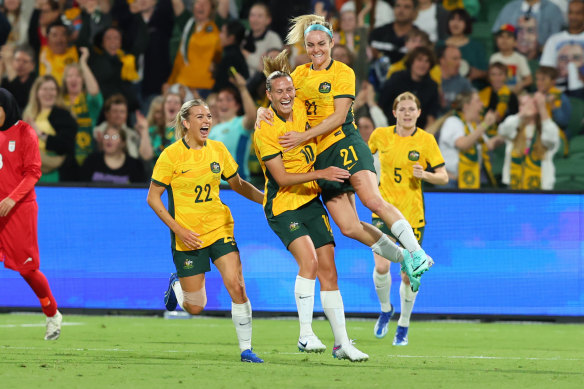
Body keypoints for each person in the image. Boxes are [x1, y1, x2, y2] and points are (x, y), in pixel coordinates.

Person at [258, 15, 429, 290]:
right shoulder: (299, 75)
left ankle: (417, 252)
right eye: (311, 44)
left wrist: (303, 136)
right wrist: (261, 111)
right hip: (320, 156)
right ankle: (404, 257)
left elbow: (339, 117)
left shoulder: (343, 72)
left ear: (331, 43)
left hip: (345, 142)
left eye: (321, 43)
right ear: (305, 45)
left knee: (372, 200)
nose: (316, 49)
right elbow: (279, 98)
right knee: (348, 227)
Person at [254, 52, 368, 361]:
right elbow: (280, 177)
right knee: (310, 263)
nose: (287, 95)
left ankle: (342, 344)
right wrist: (322, 173)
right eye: (279, 91)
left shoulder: (303, 108)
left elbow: (328, 106)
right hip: (283, 205)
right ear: (269, 95)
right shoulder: (265, 128)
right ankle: (305, 334)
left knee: (329, 270)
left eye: (290, 89)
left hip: (310, 201)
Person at [148, 99, 264, 363]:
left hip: (220, 227)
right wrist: (178, 230)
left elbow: (238, 184)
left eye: (209, 116)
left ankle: (246, 349)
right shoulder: (171, 155)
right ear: (186, 123)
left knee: (237, 285)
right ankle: (177, 284)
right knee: (196, 306)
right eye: (199, 117)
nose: (207, 121)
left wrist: (266, 199)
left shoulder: (218, 150)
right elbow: (152, 198)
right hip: (187, 236)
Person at [368, 92, 447, 345]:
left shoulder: (426, 140)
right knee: (381, 267)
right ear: (394, 112)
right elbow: (362, 161)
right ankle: (385, 309)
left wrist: (426, 175)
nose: (407, 113)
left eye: (411, 109)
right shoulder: (380, 135)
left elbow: (444, 176)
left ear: (419, 113)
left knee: (408, 275)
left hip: (412, 215)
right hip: (383, 211)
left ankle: (403, 324)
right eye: (402, 109)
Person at [0, 88, 62, 340]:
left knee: (27, 269)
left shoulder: (25, 133)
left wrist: (12, 199)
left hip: (19, 210)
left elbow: (33, 172)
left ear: (6, 107)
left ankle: (51, 312)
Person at [498, 92, 561, 190]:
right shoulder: (515, 127)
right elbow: (503, 130)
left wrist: (542, 108)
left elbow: (551, 139)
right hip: (514, 188)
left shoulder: (545, 129)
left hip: (541, 190)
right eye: (522, 104)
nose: (525, 107)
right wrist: (521, 114)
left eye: (529, 104)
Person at [23, 75, 78, 182]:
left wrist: (40, 134)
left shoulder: (65, 115)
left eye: (52, 89)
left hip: (58, 173)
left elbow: (66, 145)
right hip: (31, 173)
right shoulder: (27, 115)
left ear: (57, 92)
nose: (48, 93)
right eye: (44, 89)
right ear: (37, 92)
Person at [436, 91, 497, 188]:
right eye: (478, 101)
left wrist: (505, 133)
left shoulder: (472, 127)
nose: (482, 104)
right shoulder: (453, 122)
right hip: (451, 183)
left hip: (469, 180)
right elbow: (463, 144)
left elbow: (490, 145)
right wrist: (484, 125)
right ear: (466, 106)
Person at [208, 70, 256, 182]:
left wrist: (243, 89)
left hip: (238, 186)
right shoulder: (213, 129)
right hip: (214, 186)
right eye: (220, 100)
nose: (223, 103)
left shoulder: (240, 123)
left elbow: (252, 117)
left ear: (237, 105)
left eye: (228, 100)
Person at [61, 47, 103, 167]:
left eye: (78, 76)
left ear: (83, 79)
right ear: (65, 80)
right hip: (64, 158)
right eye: (70, 76)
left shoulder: (89, 101)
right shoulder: (59, 101)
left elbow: (94, 92)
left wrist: (83, 63)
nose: (73, 79)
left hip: (88, 158)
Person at [379, 46, 440, 128]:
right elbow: (381, 105)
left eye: (427, 61)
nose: (423, 64)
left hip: (418, 133)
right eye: (419, 60)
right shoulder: (396, 79)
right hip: (391, 129)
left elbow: (431, 118)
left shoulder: (432, 86)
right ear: (412, 62)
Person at [492, 0, 564, 60]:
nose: (524, 36)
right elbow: (497, 34)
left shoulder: (553, 10)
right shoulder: (510, 8)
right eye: (520, 30)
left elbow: (558, 40)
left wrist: (541, 49)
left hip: (543, 59)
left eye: (530, 31)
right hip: (512, 59)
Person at [540, 0, 584, 94]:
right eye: (571, 13)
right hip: (557, 91)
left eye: (578, 13)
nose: (573, 17)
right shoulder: (554, 39)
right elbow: (546, 69)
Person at [81, 125, 147, 184]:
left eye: (114, 137)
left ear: (123, 142)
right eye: (106, 136)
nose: (109, 140)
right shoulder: (91, 161)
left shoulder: (135, 165)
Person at [241, 2, 283, 76]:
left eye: (260, 16)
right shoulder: (243, 36)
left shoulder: (273, 38)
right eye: (252, 15)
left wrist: (245, 55)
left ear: (268, 20)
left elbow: (267, 68)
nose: (255, 20)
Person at [489, 24, 533, 95]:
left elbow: (529, 79)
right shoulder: (494, 57)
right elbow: (490, 77)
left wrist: (520, 85)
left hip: (516, 93)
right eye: (501, 37)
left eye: (508, 37)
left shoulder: (520, 58)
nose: (504, 40)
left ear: (515, 42)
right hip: (499, 92)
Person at [0, 44, 36, 112]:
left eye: (25, 61)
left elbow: (19, 94)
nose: (20, 64)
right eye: (17, 60)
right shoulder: (6, 81)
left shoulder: (35, 83)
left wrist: (9, 64)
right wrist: (2, 64)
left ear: (33, 65)